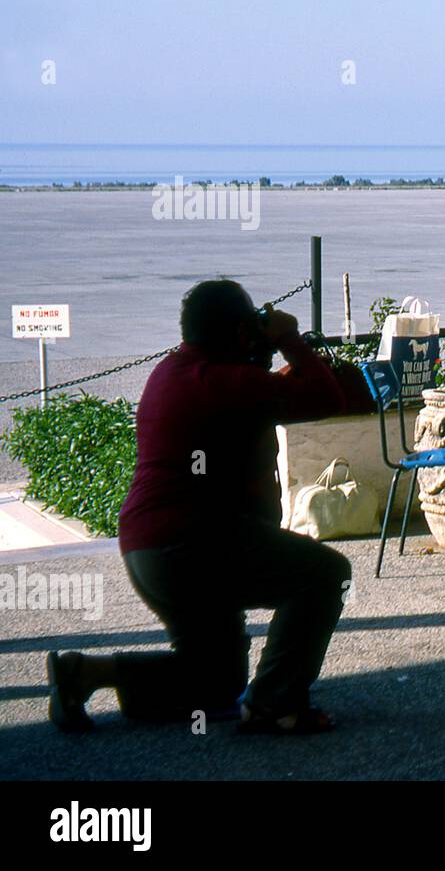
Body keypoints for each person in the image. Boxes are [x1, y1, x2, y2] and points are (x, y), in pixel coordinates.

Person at [46, 280, 351, 735]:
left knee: (215, 682)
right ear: (238, 333)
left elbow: (249, 402)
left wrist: (265, 364)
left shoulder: (177, 371)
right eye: (251, 327)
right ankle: (274, 704)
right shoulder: (226, 381)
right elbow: (327, 399)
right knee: (324, 574)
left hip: (151, 550)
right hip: (194, 546)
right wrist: (290, 339)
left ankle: (86, 673)